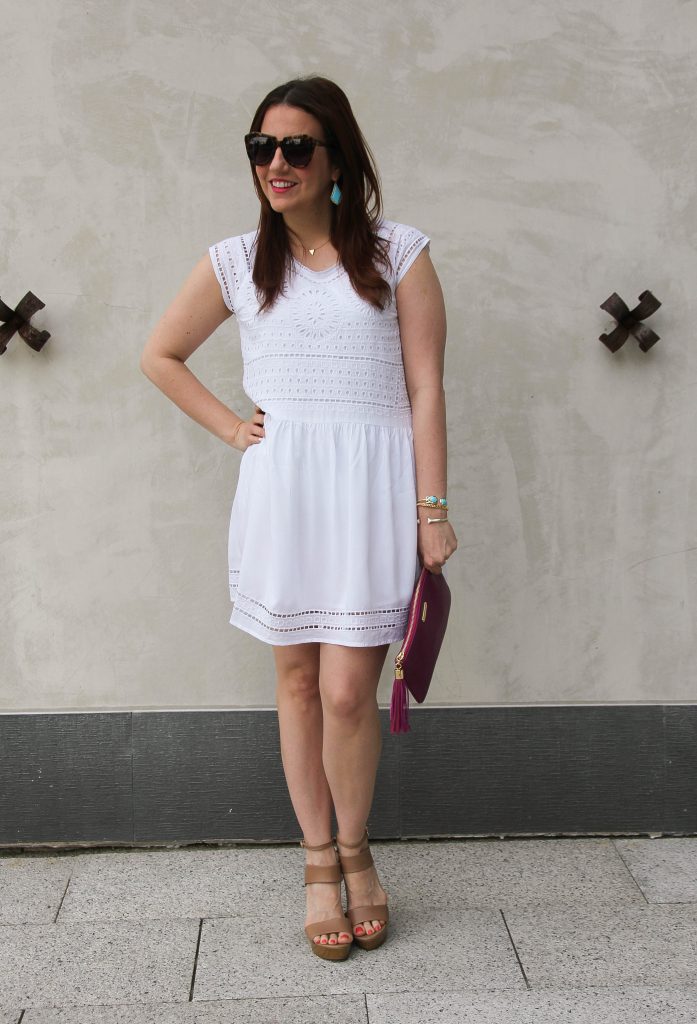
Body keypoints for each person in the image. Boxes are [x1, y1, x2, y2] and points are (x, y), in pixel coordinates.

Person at [140, 75, 457, 961]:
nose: (274, 164)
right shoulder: (237, 262)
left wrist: (432, 508)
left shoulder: (399, 254)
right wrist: (235, 429)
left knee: (350, 689)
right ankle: (318, 860)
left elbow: (426, 386)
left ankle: (357, 850)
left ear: (336, 160)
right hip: (285, 493)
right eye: (260, 148)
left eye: (294, 148)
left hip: (373, 491)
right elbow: (159, 355)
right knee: (295, 682)